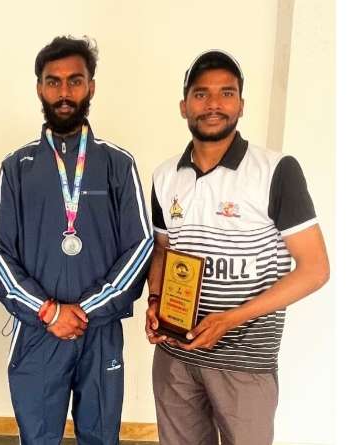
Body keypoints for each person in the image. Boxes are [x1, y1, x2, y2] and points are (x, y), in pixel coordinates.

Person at [145, 50, 330, 445]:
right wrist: (156, 300)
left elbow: (315, 269)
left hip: (244, 362)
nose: (213, 104)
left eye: (226, 93)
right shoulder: (164, 176)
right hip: (176, 357)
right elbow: (162, 249)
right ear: (184, 106)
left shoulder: (276, 171)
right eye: (201, 94)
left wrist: (231, 319)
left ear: (241, 105)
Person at [0, 36, 153, 445]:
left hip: (100, 330)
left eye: (75, 81)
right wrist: (47, 311)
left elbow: (141, 245)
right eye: (54, 81)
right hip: (38, 329)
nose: (64, 92)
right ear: (39, 88)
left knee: (100, 437)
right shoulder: (17, 167)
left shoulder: (117, 163)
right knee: (39, 437)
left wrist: (86, 310)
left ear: (90, 86)